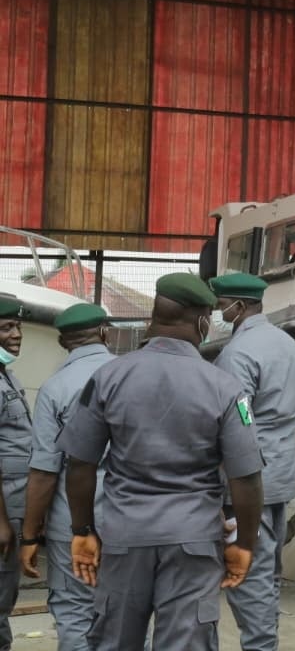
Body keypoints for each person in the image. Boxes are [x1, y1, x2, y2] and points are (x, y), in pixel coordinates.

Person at [57, 273, 265, 651]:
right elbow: (246, 478)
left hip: (123, 536)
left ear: (154, 316)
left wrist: (82, 529)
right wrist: (245, 543)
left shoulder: (107, 377)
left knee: (115, 641)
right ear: (202, 321)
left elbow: (80, 463)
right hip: (193, 541)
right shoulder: (223, 386)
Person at [209, 272, 295, 651]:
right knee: (267, 574)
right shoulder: (290, 346)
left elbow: (233, 425)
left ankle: (261, 645)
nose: (218, 314)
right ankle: (265, 640)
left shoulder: (237, 355)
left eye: (220, 307)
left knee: (245, 573)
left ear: (237, 306)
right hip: (282, 474)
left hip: (247, 484)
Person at [20, 304, 114, 651]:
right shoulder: (132, 375)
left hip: (73, 525)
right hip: (130, 518)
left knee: (75, 612)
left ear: (63, 342)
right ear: (105, 332)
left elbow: (44, 472)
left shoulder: (55, 388)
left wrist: (29, 535)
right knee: (124, 612)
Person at [0, 294, 30, 651]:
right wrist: (2, 521)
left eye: (18, 326)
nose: (17, 334)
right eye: (7, 327)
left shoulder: (6, 375)